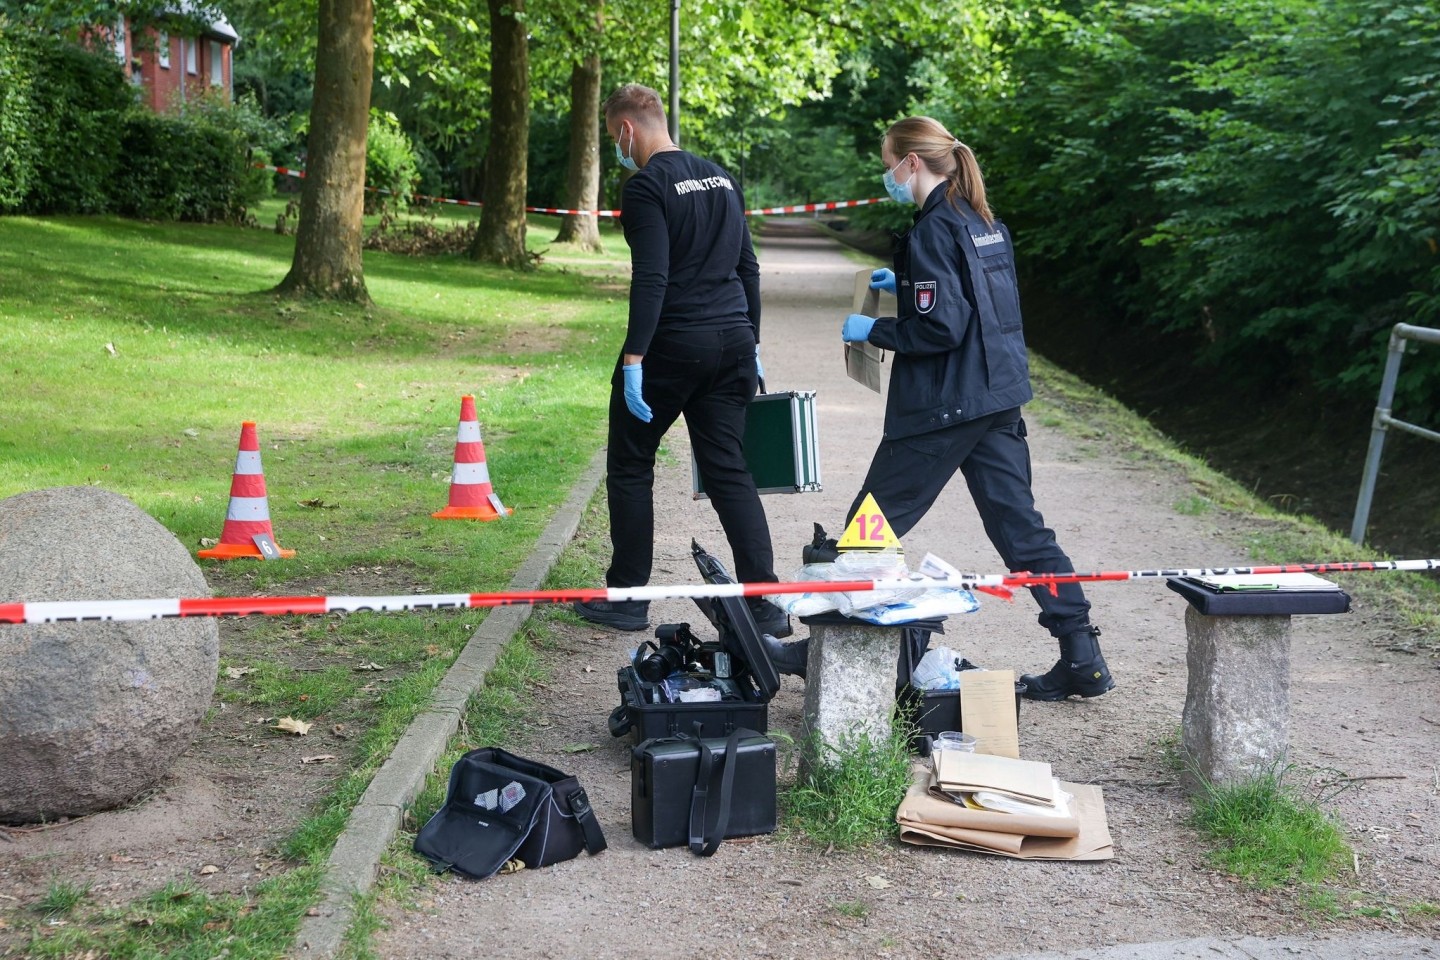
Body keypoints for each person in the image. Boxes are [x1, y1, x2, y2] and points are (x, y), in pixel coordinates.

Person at [767, 116, 1112, 701]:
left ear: (912, 163)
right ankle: (1084, 657)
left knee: (864, 535)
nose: (887, 174)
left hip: (942, 407)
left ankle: (829, 653)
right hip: (996, 397)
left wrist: (875, 328)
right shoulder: (980, 219)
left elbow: (943, 327)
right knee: (1024, 533)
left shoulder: (932, 230)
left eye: (888, 162)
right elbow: (969, 300)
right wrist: (905, 285)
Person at [572, 83, 791, 639]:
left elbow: (652, 277)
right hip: (733, 343)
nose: (617, 148)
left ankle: (626, 598)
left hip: (675, 344)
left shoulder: (646, 187)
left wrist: (635, 358)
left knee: (630, 463)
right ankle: (765, 602)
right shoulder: (721, 176)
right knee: (729, 471)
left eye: (612, 137)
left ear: (626, 130)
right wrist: (754, 341)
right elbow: (749, 267)